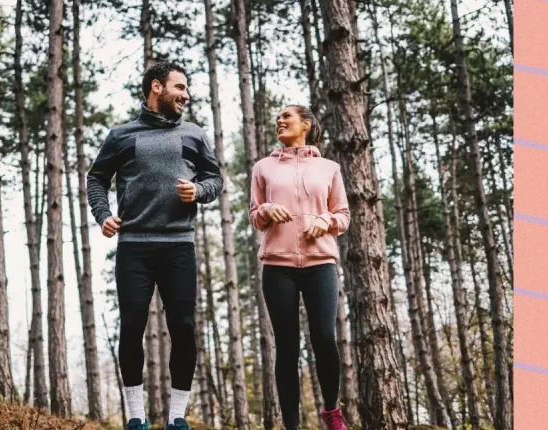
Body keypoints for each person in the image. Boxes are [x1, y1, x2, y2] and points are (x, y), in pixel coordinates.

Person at [86, 62, 223, 430]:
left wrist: (198, 191)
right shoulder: (122, 135)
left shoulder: (193, 134)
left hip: (179, 244)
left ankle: (177, 417)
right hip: (134, 245)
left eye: (188, 89)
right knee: (131, 325)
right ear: (156, 87)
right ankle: (136, 417)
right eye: (180, 87)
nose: (186, 95)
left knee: (182, 326)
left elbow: (215, 179)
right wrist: (103, 215)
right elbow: (96, 178)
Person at [248, 105, 351, 430]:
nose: (279, 121)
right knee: (287, 346)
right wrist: (266, 208)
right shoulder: (263, 167)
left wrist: (326, 219)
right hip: (278, 266)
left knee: (323, 337)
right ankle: (291, 425)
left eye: (287, 117)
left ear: (305, 124)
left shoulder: (329, 167)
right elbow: (254, 216)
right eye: (277, 117)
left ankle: (332, 412)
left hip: (320, 263)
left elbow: (344, 215)